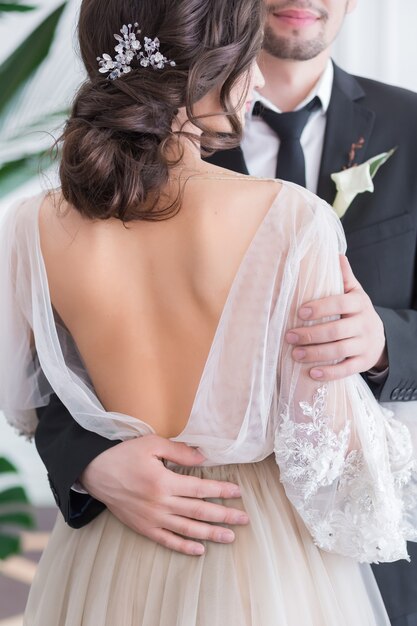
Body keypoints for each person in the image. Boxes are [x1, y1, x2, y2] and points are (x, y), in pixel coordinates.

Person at [2, 0, 415, 623]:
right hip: (258, 549)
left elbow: (29, 391)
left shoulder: (28, 226)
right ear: (218, 62)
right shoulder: (293, 215)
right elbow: (329, 464)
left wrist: (383, 342)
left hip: (105, 559)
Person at [205, 2, 417, 624]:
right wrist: (87, 459)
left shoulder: (413, 124)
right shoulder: (167, 132)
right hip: (212, 527)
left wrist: (385, 343)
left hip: (376, 537)